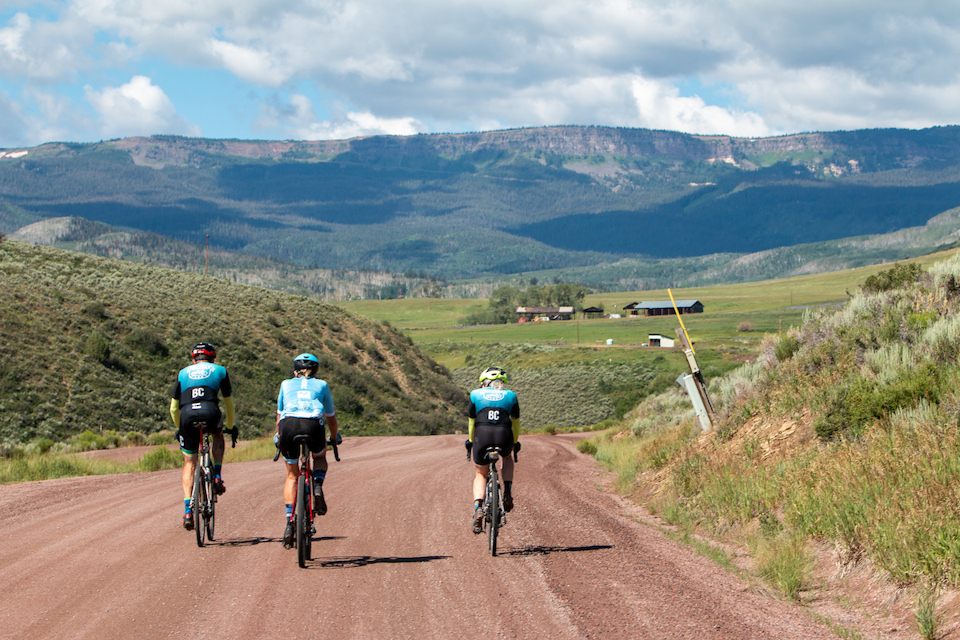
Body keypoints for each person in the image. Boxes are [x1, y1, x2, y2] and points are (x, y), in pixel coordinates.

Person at [275, 353, 339, 549]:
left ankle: (289, 522)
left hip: (289, 424)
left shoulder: (286, 384)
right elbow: (330, 417)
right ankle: (317, 485)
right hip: (313, 424)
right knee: (319, 457)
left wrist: (278, 438)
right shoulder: (322, 385)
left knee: (292, 476)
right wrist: (334, 438)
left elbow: (279, 417)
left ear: (295, 371)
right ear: (316, 371)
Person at [170, 342, 235, 531]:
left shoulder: (183, 373)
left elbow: (173, 408)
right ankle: (216, 476)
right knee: (218, 436)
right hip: (210, 412)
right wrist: (230, 426)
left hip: (186, 416)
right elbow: (228, 404)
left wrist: (179, 428)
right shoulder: (220, 371)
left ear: (193, 359)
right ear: (212, 357)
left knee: (189, 463)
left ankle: (188, 510)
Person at [465, 366, 520, 534]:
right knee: (507, 458)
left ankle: (479, 507)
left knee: (481, 473)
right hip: (504, 436)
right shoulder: (511, 395)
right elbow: (515, 423)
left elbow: (472, 422)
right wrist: (515, 443)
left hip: (482, 436)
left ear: (484, 383)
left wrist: (470, 441)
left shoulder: (475, 394)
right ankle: (508, 492)